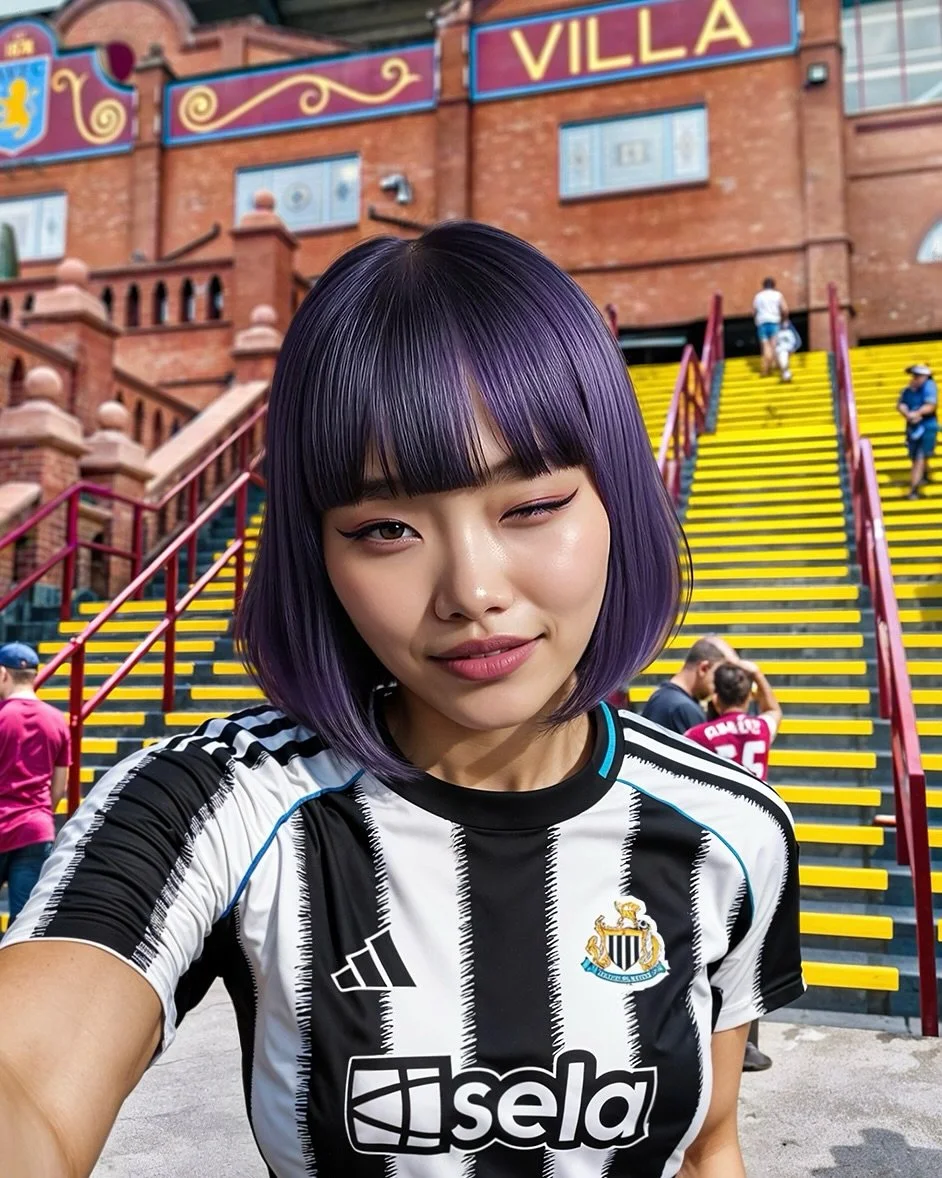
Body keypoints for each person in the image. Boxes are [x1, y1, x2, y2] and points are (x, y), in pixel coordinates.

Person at [0, 223, 803, 1178]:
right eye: (385, 528)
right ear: (318, 552)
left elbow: (711, 1147)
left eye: (532, 506)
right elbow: (30, 1086)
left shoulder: (731, 828)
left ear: (616, 500)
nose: (472, 590)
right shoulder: (217, 804)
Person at [685, 660, 783, 1074]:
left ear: (715, 696)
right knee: (752, 941)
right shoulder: (760, 727)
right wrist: (759, 677)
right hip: (758, 836)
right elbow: (774, 710)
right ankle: (746, 1045)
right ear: (747, 694)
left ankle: (706, 1033)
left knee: (713, 936)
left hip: (717, 839)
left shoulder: (698, 735)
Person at [0, 642, 70, 924]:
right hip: (36, 828)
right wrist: (39, 812)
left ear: (3, 674)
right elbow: (60, 786)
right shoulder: (57, 720)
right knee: (23, 922)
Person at [641, 635, 737, 734]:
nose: (722, 683)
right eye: (720, 675)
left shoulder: (661, 696)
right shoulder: (683, 708)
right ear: (704, 668)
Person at [898, 363, 938, 500]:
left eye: (917, 376)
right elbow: (901, 404)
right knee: (916, 455)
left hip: (927, 426)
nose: (914, 378)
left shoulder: (929, 387)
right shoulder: (909, 390)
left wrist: (917, 413)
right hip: (913, 427)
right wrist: (907, 413)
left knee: (919, 456)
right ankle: (925, 473)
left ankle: (914, 488)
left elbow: (930, 405)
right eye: (914, 375)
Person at [753, 278, 788, 377]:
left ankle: (765, 369)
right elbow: (785, 309)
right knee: (774, 346)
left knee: (765, 346)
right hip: (774, 322)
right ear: (773, 285)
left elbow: (754, 311)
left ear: (763, 285)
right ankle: (773, 366)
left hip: (762, 323)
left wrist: (756, 320)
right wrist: (784, 320)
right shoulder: (777, 295)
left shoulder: (758, 296)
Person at [773, 319, 801, 384]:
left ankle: (786, 375)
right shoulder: (777, 331)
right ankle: (786, 375)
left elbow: (796, 340)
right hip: (779, 350)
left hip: (786, 349)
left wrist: (793, 349)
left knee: (784, 360)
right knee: (783, 361)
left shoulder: (789, 331)